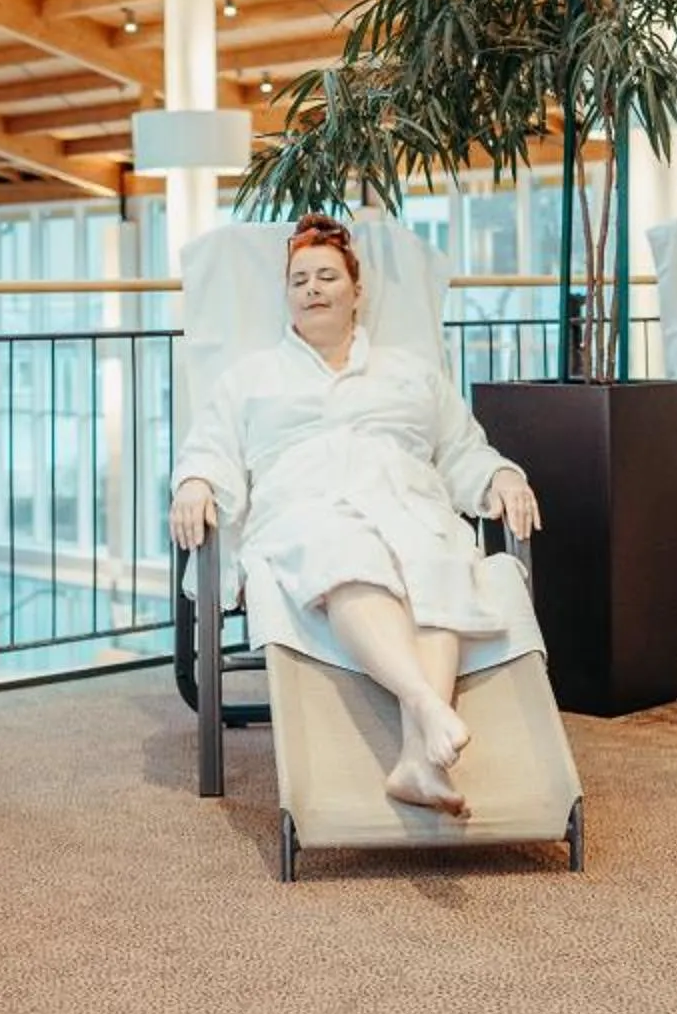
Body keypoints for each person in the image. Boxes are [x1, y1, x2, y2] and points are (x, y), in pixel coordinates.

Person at [169, 215, 543, 819]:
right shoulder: (250, 379)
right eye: (299, 280)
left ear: (356, 290)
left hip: (408, 498)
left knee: (439, 556)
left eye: (326, 276)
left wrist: (500, 475)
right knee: (343, 552)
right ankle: (425, 705)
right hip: (304, 504)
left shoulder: (411, 373)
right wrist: (195, 483)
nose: (312, 288)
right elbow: (209, 448)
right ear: (286, 296)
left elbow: (461, 449)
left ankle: (420, 761)